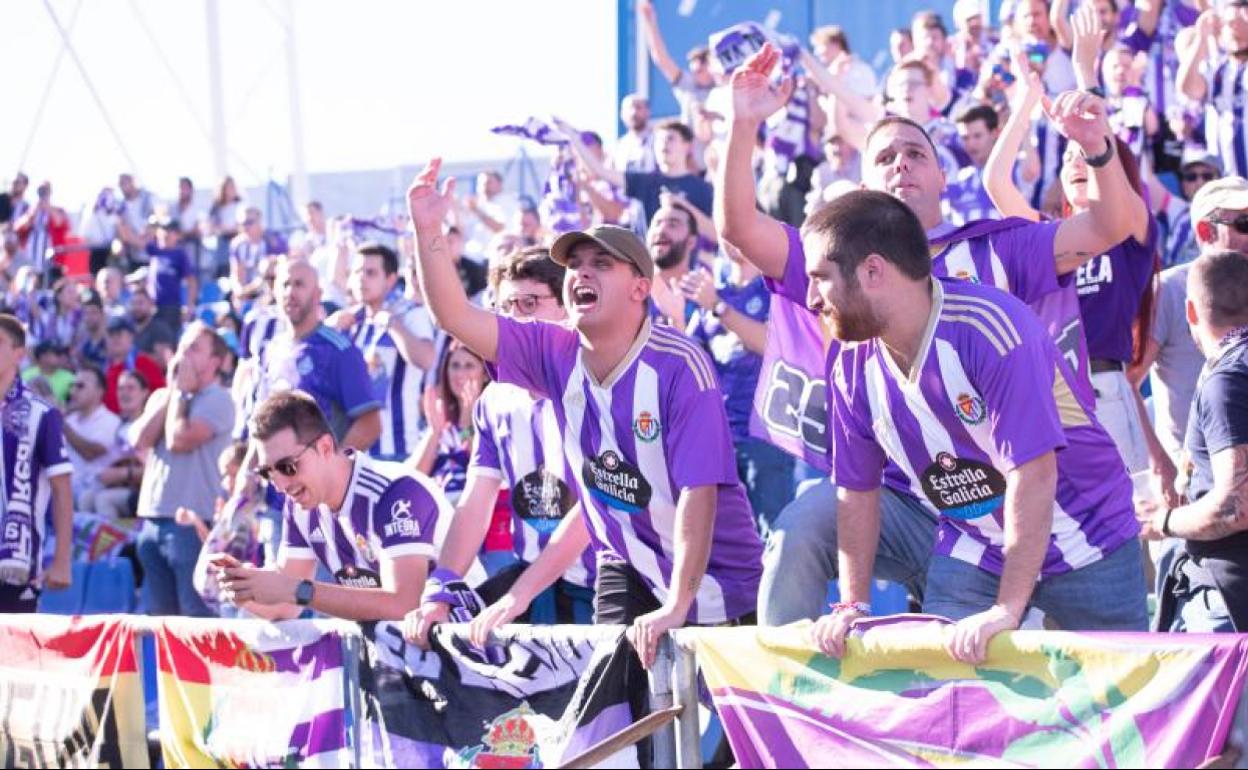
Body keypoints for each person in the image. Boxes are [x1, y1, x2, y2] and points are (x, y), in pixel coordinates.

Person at [720, 44, 1141, 626]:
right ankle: (788, 697)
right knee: (801, 524)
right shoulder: (834, 260)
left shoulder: (998, 249)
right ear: (862, 184)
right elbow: (740, 227)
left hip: (1039, 491)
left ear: (943, 176)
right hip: (920, 508)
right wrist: (743, 124)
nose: (901, 164)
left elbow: (1110, 225)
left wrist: (1096, 149)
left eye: (916, 153)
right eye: (885, 156)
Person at [407, 158, 763, 670]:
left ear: (641, 287)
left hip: (717, 577)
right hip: (625, 566)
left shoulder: (680, 367)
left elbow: (698, 495)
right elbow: (456, 317)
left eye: (601, 263)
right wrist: (429, 232)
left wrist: (679, 605)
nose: (581, 274)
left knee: (729, 750)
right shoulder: (551, 351)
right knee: (613, 719)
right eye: (575, 265)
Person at [806, 191, 1146, 664]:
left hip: (1088, 538)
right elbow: (856, 489)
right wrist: (851, 604)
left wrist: (1007, 609)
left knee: (1120, 709)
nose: (810, 298)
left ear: (873, 271)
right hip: (976, 544)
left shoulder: (992, 329)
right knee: (948, 696)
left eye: (820, 278)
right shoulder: (847, 365)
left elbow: (1035, 473)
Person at [404, 247, 595, 647]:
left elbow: (595, 508)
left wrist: (518, 592)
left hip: (603, 584)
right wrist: (442, 583)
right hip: (535, 583)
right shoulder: (493, 401)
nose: (517, 318)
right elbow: (475, 502)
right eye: (507, 306)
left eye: (531, 303)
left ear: (564, 308)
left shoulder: (592, 381)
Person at [212, 390, 449, 621]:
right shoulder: (299, 507)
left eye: (287, 467)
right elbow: (285, 608)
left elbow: (404, 606)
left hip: (465, 641)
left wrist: (297, 590)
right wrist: (244, 590)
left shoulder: (394, 492)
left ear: (325, 447)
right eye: (267, 472)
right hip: (405, 650)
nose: (281, 485)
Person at [1144, 250, 1248, 633]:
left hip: (1229, 603)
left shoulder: (1229, 380)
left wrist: (1165, 521)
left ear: (1191, 312)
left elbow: (1236, 507)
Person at [683, 240, 792, 533]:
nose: (732, 237)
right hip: (719, 440)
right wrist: (673, 313)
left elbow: (772, 344)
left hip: (765, 438)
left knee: (774, 537)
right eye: (725, 231)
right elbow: (690, 359)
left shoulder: (775, 289)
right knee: (725, 541)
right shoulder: (711, 293)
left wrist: (719, 307)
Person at [131, 322, 235, 616]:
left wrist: (179, 396)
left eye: (194, 349)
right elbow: (140, 440)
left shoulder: (220, 399)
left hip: (191, 522)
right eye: (181, 347)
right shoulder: (164, 396)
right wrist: (173, 393)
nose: (182, 356)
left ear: (215, 362)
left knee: (193, 616)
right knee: (160, 616)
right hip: (153, 517)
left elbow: (179, 439)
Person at [251, 259, 381, 452]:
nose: (290, 292)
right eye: (285, 285)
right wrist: (248, 471)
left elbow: (370, 424)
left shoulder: (338, 350)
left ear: (317, 295)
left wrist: (333, 465)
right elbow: (263, 424)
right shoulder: (271, 350)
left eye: (299, 284)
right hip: (278, 479)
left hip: (320, 479)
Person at [328, 243, 436, 461]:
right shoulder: (351, 321)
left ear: (391, 279)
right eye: (357, 271)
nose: (361, 278)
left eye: (371, 273)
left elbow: (426, 359)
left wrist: (394, 326)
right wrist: (328, 328)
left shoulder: (410, 313)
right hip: (358, 451)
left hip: (399, 447)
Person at [0, 314, 73, 611]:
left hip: (15, 565)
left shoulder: (41, 414)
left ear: (19, 354)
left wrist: (62, 561)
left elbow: (62, 489)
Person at [562, 117, 712, 223]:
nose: (663, 145)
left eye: (670, 139)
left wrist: (683, 207)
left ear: (688, 146)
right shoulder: (645, 181)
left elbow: (715, 234)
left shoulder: (703, 188)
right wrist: (572, 137)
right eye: (658, 140)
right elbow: (601, 171)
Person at [412, 341, 489, 506]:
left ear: (485, 375)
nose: (460, 373)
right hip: (437, 513)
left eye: (469, 366)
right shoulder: (440, 420)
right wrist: (434, 432)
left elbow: (485, 472)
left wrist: (467, 423)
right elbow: (413, 478)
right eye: (455, 366)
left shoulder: (493, 420)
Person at [1177, 0, 1248, 179]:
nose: (1235, 28)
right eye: (1229, 23)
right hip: (1225, 183)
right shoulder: (1216, 68)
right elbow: (1189, 88)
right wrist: (1202, 36)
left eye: (1242, 22)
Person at [62, 365, 122, 507]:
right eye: (73, 386)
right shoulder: (70, 420)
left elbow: (91, 453)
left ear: (99, 391)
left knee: (85, 498)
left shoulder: (110, 421)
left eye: (80, 386)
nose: (73, 391)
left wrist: (62, 425)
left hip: (92, 495)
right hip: (66, 492)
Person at [943, 104, 1004, 225]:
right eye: (965, 138)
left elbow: (1031, 170)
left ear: (995, 133)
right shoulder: (959, 178)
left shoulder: (1012, 170)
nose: (971, 144)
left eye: (977, 136)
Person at [144, 215, 197, 333]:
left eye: (170, 231)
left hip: (170, 307)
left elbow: (191, 281)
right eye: (163, 230)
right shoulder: (154, 250)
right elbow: (138, 239)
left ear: (177, 235)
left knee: (167, 342)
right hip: (151, 307)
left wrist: (189, 307)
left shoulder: (179, 255)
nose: (166, 234)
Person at [103, 316, 166, 414]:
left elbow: (161, 398)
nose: (115, 338)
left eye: (119, 334)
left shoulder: (144, 363)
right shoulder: (105, 368)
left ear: (131, 337)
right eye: (111, 334)